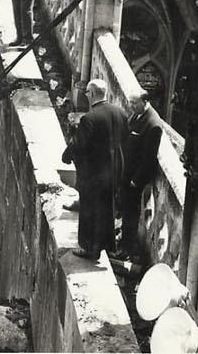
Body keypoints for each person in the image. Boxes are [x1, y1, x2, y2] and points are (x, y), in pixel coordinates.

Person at [62, 78, 126, 260]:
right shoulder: (120, 113)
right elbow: (126, 141)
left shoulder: (90, 118)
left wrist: (67, 156)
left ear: (91, 94)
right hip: (113, 172)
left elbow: (80, 145)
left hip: (94, 174)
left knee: (89, 209)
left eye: (87, 93)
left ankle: (89, 247)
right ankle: (106, 246)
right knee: (107, 210)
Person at [118, 89, 165, 263]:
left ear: (145, 102)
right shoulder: (137, 116)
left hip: (134, 180)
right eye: (130, 103)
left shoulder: (153, 125)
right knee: (125, 210)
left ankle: (128, 248)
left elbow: (148, 158)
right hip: (126, 173)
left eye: (134, 103)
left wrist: (135, 181)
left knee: (131, 213)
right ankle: (123, 243)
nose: (131, 107)